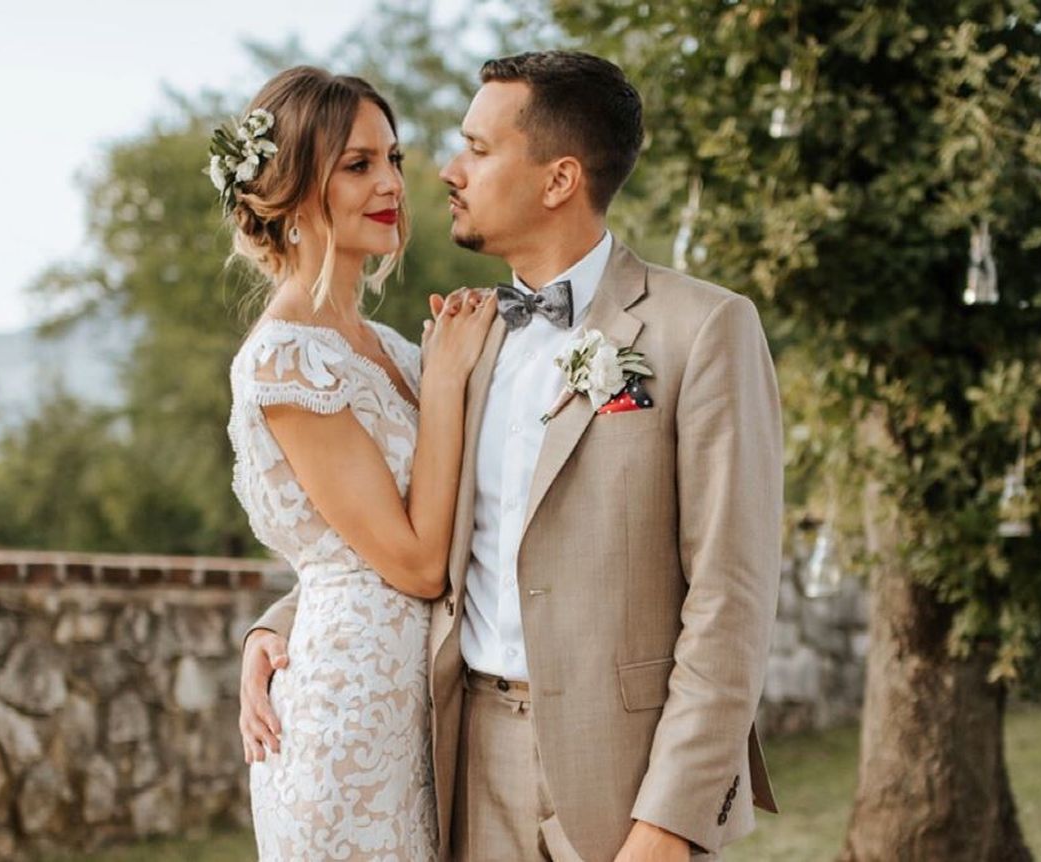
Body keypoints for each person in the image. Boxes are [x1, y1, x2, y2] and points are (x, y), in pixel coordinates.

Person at [241, 51, 783, 861]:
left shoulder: (700, 330)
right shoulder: (462, 342)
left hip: (621, 774)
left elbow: (730, 599)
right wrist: (279, 627)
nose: (445, 172)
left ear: (559, 180)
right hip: (458, 761)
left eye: (478, 149)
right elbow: (401, 521)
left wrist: (671, 820)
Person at [220, 66, 497, 860]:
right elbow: (413, 564)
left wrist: (270, 625)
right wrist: (444, 386)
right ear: (293, 187)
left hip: (426, 705)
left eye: (394, 159)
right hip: (348, 724)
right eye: (358, 164)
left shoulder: (397, 351)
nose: (392, 185)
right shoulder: (286, 361)